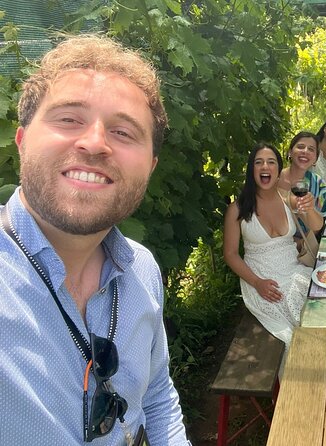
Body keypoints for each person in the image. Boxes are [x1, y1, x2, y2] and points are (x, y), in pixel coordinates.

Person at [0, 36, 190, 444]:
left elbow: (156, 396)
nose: (94, 143)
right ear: (21, 142)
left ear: (150, 167)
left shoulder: (141, 269)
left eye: (123, 132)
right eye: (68, 119)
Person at [223, 143, 321, 346]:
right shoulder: (237, 209)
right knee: (294, 333)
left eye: (271, 162)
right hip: (261, 279)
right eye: (259, 163)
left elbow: (317, 225)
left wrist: (310, 208)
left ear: (278, 170)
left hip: (294, 271)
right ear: (252, 170)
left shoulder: (288, 199)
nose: (265, 167)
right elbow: (231, 254)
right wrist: (257, 282)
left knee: (319, 307)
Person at [278, 131, 326, 217]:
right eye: (300, 147)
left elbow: (323, 218)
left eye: (311, 149)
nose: (305, 151)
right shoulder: (275, 178)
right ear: (290, 152)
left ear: (316, 159)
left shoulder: (318, 183)